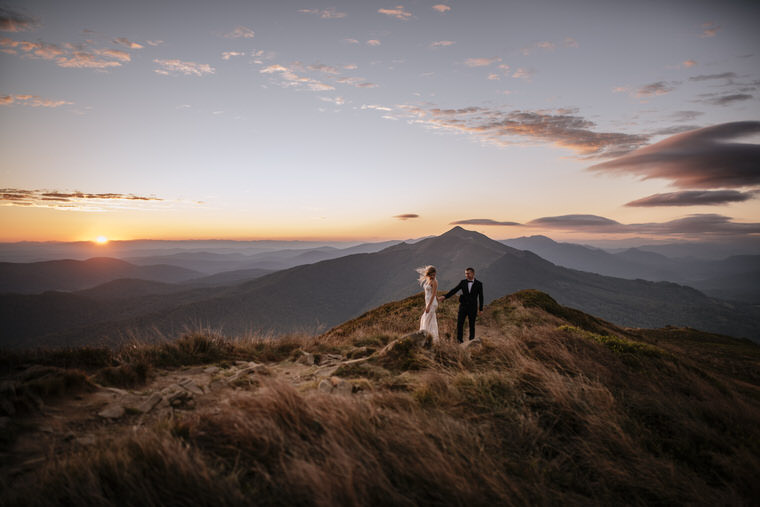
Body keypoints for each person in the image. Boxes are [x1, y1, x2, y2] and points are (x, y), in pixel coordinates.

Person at [438, 267, 483, 343]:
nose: (466, 275)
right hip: (463, 306)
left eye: (468, 273)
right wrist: (445, 296)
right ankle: (459, 341)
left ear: (473, 273)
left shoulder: (479, 284)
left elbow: (481, 297)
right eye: (465, 273)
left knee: (472, 325)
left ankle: (471, 341)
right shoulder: (463, 282)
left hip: (473, 307)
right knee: (460, 324)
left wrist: (481, 309)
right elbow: (454, 290)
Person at [416, 265, 439, 343]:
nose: (433, 276)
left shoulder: (434, 281)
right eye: (432, 275)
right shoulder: (428, 280)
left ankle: (425, 337)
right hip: (428, 302)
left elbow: (433, 294)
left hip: (432, 304)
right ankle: (431, 338)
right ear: (428, 274)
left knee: (425, 319)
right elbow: (432, 293)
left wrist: (429, 306)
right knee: (431, 321)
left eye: (434, 275)